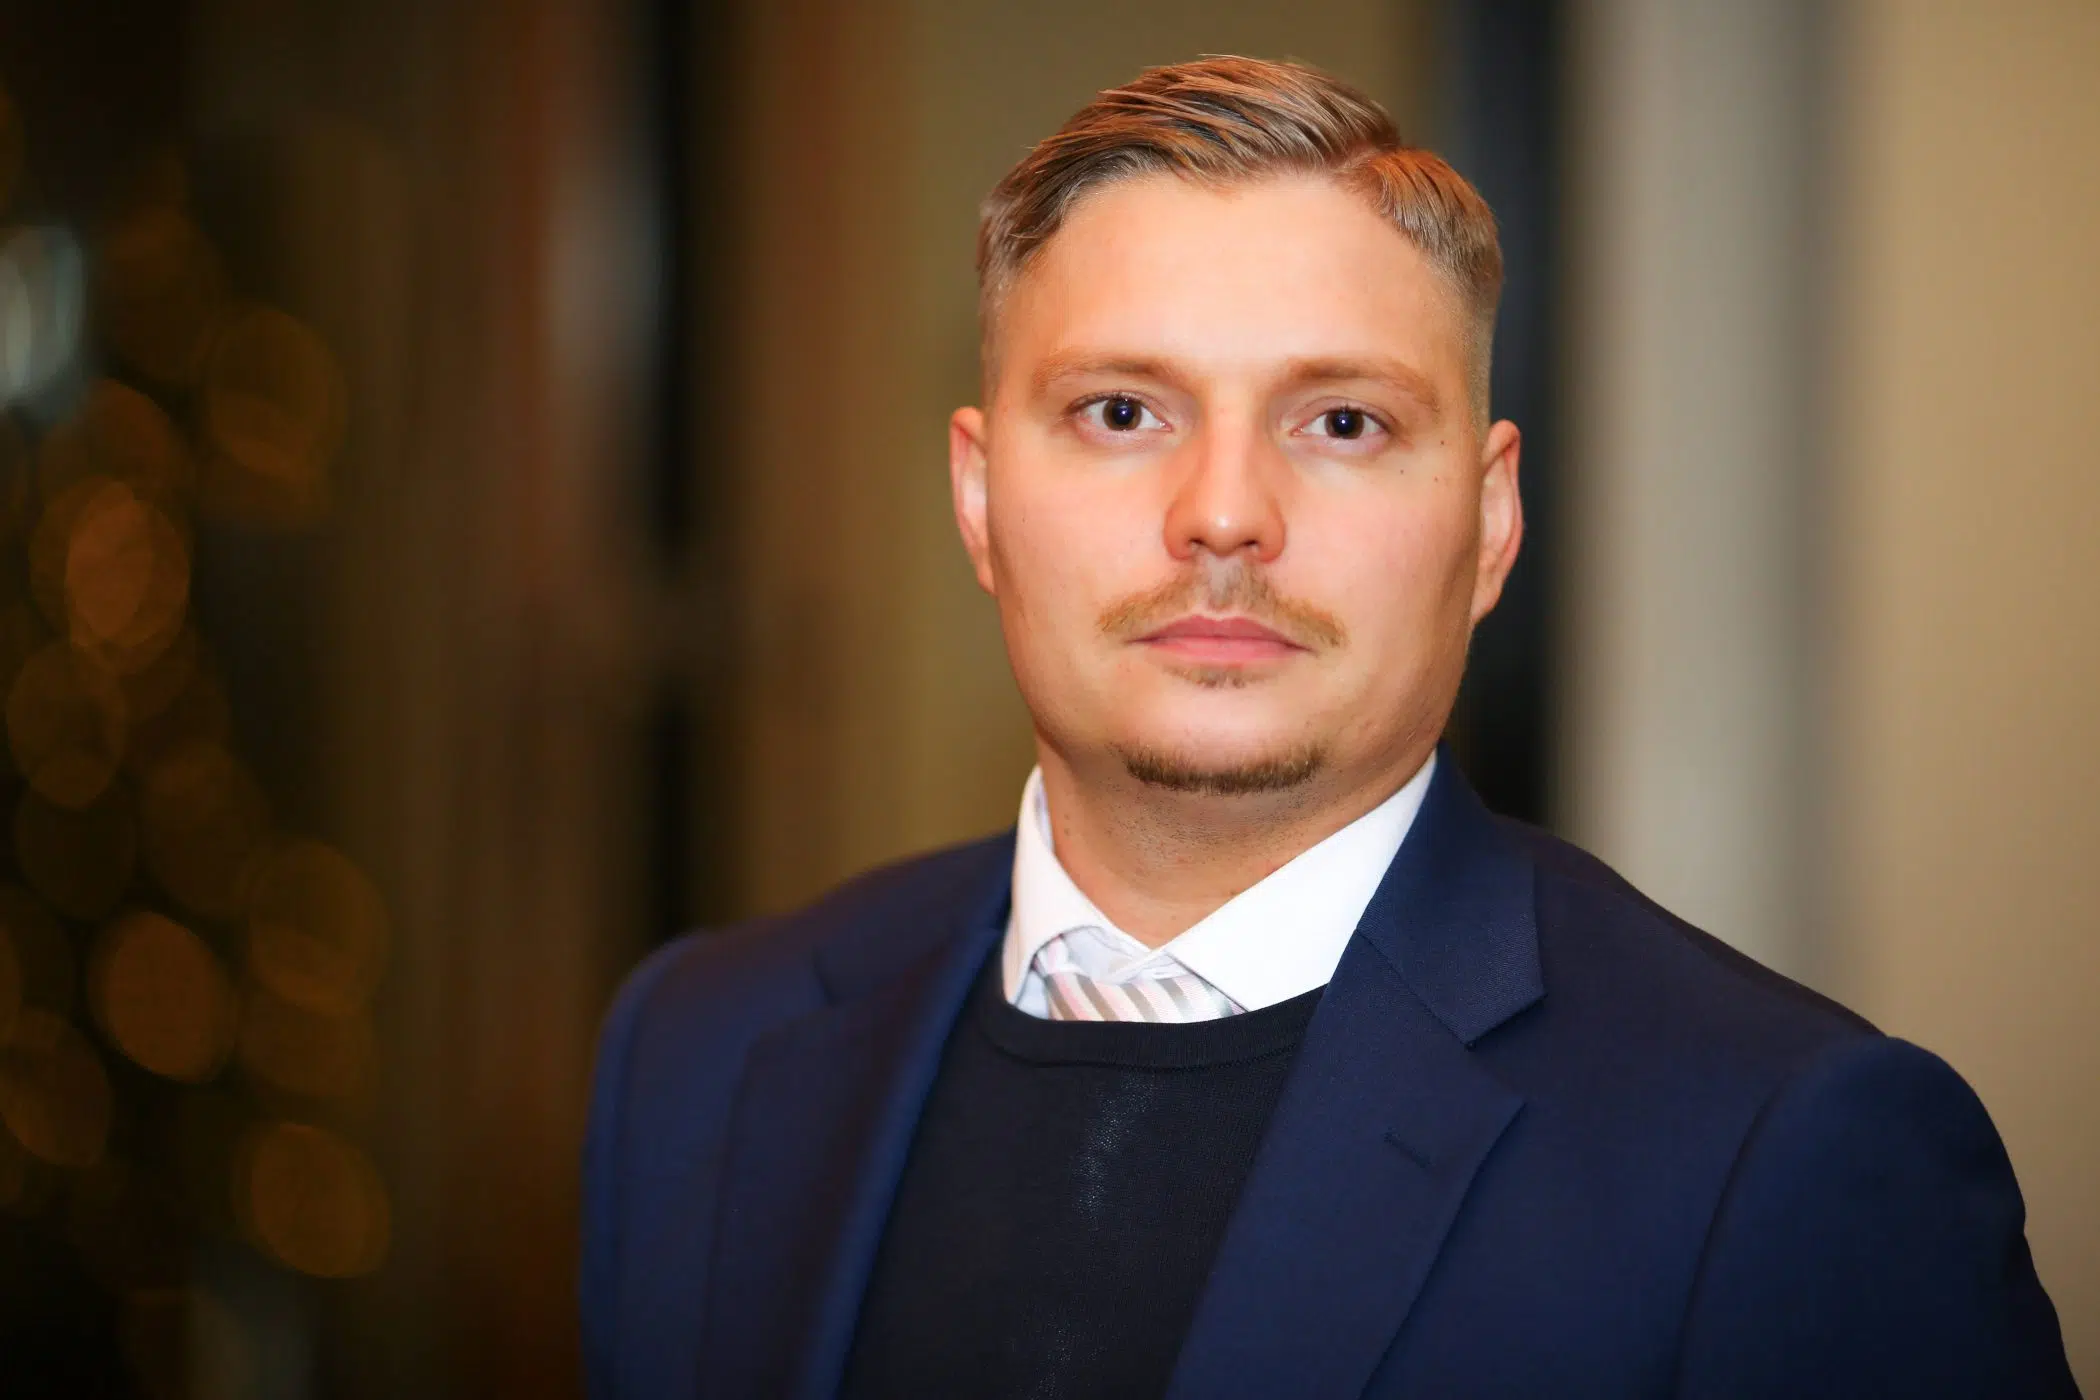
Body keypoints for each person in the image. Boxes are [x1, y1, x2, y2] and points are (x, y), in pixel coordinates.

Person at [579, 57, 2076, 1399]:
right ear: (979, 499)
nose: (1225, 513)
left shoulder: (1780, 1149)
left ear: (1489, 522)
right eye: (1121, 412)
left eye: (1343, 422)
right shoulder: (698, 1054)